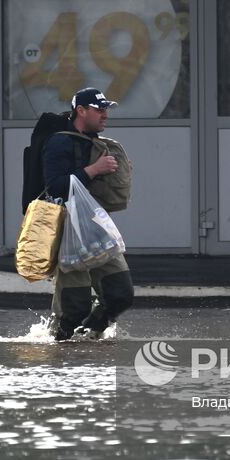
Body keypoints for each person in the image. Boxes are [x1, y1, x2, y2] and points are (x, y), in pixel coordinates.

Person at [43, 87, 135, 341]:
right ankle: (58, 348)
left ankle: (89, 335)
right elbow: (56, 186)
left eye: (107, 109)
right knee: (74, 307)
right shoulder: (59, 141)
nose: (105, 114)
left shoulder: (98, 144)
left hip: (96, 227)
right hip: (69, 232)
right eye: (99, 109)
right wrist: (94, 170)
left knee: (120, 295)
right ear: (81, 111)